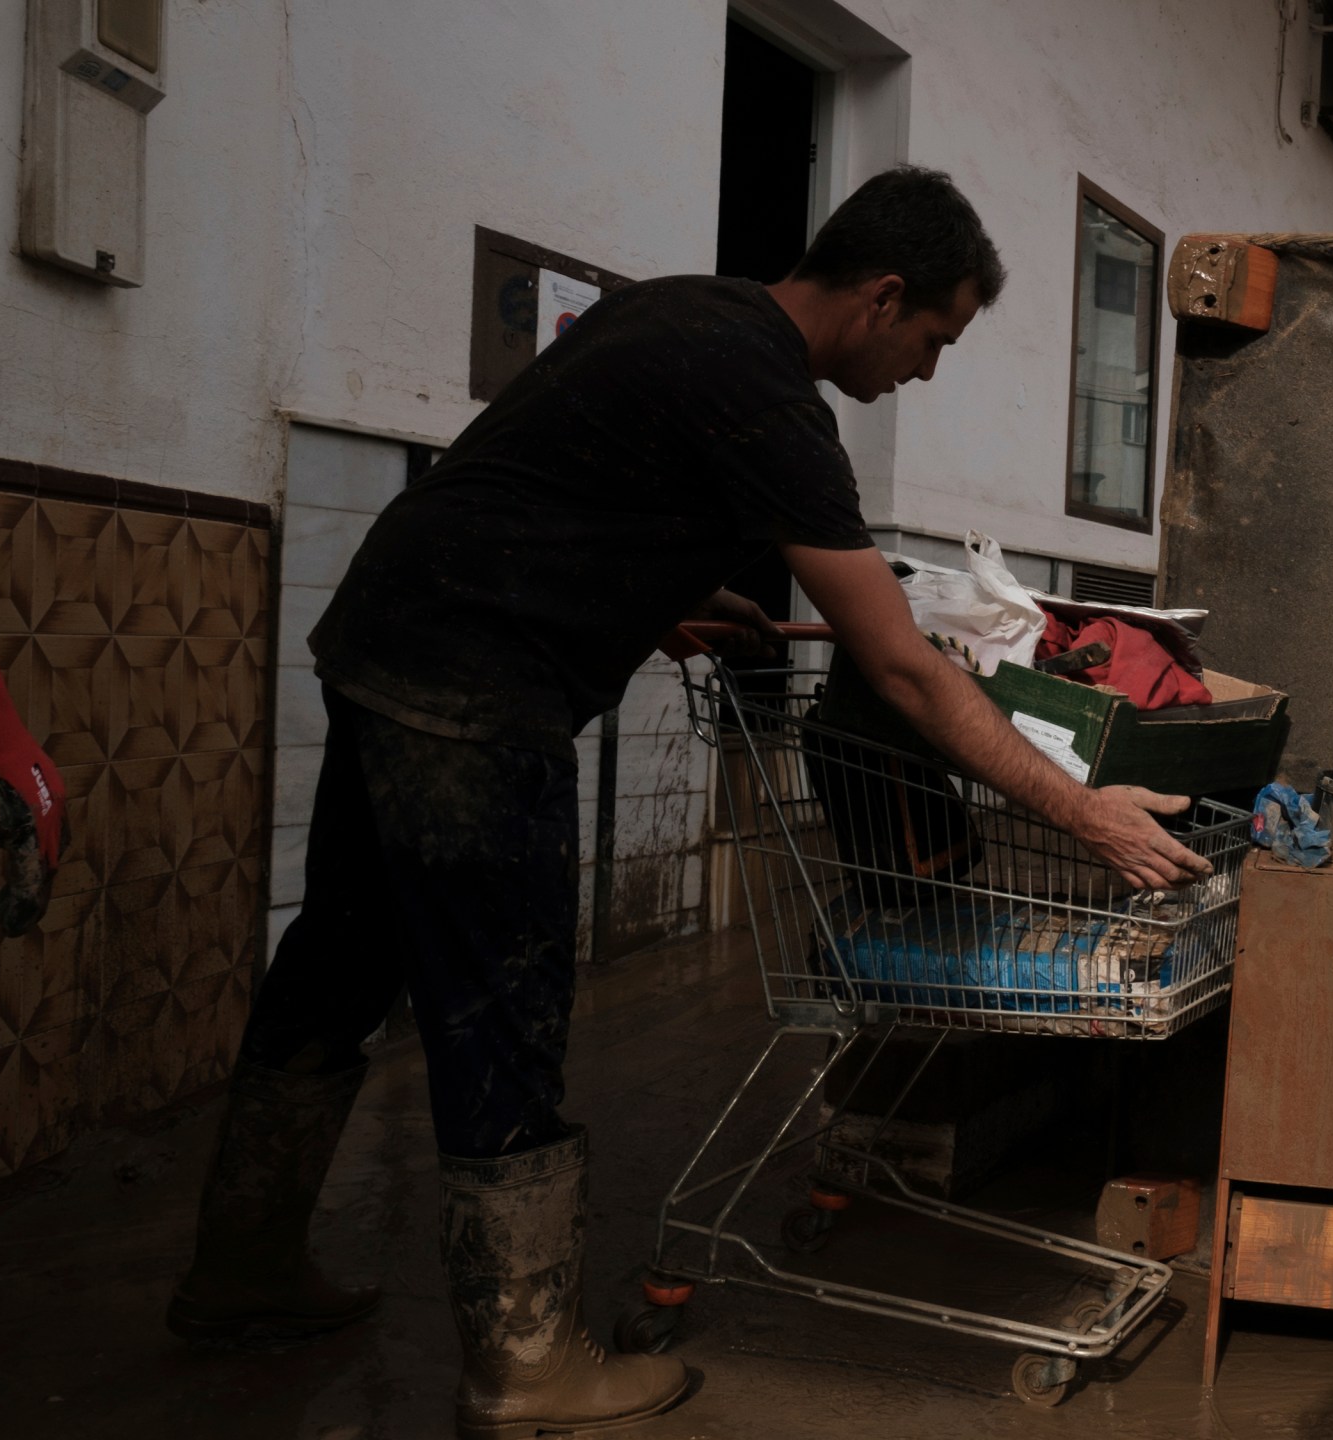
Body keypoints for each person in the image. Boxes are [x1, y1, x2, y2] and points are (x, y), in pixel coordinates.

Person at [168, 168, 1210, 1440]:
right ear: (882, 297)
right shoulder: (769, 399)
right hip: (475, 697)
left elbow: (566, 488)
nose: (928, 371)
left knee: (336, 963)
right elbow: (895, 664)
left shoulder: (688, 311)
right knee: (505, 1011)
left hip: (386, 646)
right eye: (936, 338)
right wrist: (1080, 810)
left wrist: (656, 590)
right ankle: (527, 1370)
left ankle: (241, 1271)